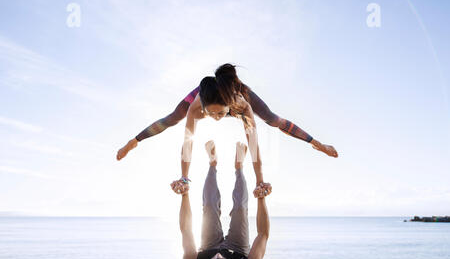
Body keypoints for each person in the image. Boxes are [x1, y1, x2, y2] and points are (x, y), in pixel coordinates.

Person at [117, 64, 338, 194]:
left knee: (272, 119)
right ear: (202, 106)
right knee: (173, 117)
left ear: (230, 108)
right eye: (210, 114)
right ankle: (133, 142)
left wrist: (260, 180)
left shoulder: (242, 105)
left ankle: (317, 143)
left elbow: (254, 147)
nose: (215, 118)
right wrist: (184, 178)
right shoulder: (196, 107)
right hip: (207, 92)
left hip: (234, 94)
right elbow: (187, 146)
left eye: (220, 114)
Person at [173, 141, 270, 259]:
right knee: (240, 208)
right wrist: (261, 198)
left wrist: (184, 194)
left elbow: (186, 229)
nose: (219, 254)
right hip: (237, 248)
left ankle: (212, 164)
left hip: (208, 245)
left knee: (210, 206)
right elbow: (263, 234)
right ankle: (239, 168)